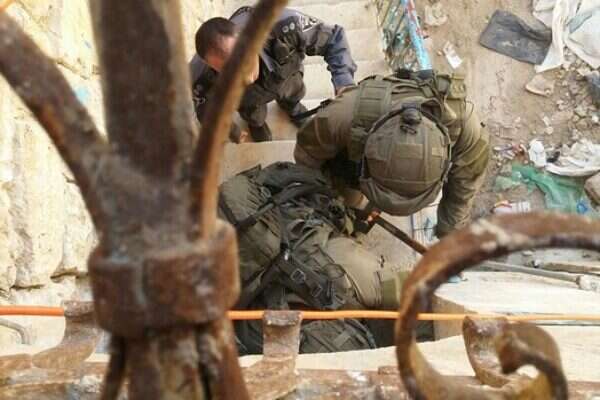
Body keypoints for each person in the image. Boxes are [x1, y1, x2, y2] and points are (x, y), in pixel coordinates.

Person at [218, 162, 405, 354]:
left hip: (268, 274)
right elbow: (409, 288)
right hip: (268, 298)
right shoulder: (350, 268)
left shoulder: (346, 267)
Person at [294, 69, 490, 238]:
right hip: (350, 155)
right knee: (342, 200)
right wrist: (318, 200)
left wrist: (449, 237)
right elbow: (307, 155)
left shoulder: (466, 130)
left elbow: (463, 190)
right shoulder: (342, 116)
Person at [190, 7, 357, 142]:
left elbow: (333, 38)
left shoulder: (284, 26)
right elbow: (208, 114)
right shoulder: (200, 80)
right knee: (254, 116)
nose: (246, 78)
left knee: (294, 95)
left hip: (288, 80)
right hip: (250, 104)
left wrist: (344, 83)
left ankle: (293, 109)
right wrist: (234, 132)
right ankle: (257, 124)